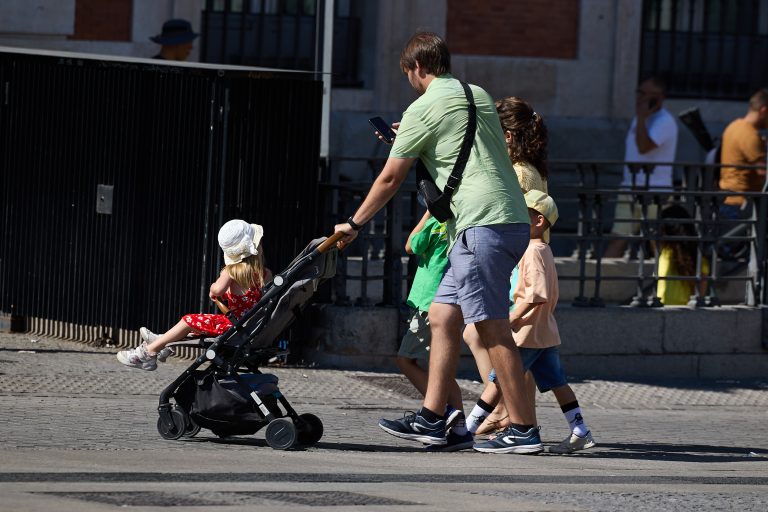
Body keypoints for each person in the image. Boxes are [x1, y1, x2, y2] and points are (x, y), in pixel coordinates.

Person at [335, 32, 539, 453]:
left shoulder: (421, 108)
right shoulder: (478, 94)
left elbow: (390, 178)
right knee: (442, 315)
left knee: (492, 326)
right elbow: (463, 144)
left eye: (407, 73)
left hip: (481, 223)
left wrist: (354, 223)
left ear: (416, 68)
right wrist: (411, 135)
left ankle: (523, 429)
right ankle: (434, 419)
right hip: (502, 219)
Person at [470, 190, 597, 454]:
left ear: (539, 221)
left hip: (526, 332)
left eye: (520, 215)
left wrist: (511, 318)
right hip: (543, 331)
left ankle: (467, 429)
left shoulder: (532, 251)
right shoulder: (543, 250)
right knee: (558, 383)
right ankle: (580, 430)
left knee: (499, 379)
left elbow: (536, 294)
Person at [463, 96, 549, 435]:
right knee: (516, 346)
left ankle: (503, 409)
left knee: (482, 333)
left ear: (508, 137)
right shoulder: (528, 169)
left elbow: (520, 223)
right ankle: (520, 415)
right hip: (521, 264)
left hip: (517, 267)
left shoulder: (519, 173)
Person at [116, 220, 271, 370]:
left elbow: (217, 290)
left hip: (234, 327)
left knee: (188, 321)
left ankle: (149, 353)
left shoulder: (231, 272)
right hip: (250, 327)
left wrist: (213, 289)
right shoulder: (266, 274)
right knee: (197, 326)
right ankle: (162, 342)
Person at [395, 210, 473, 451]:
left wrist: (428, 213)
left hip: (428, 302)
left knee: (405, 359)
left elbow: (411, 245)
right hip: (445, 302)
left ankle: (443, 410)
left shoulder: (436, 222)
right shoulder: (460, 225)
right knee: (441, 369)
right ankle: (460, 430)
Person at [604, 76, 679, 258]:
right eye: (640, 93)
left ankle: (663, 276)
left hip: (655, 192)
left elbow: (644, 147)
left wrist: (642, 117)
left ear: (660, 98)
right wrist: (642, 118)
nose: (642, 98)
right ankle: (601, 276)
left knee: (655, 243)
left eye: (648, 95)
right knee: (618, 238)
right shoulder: (640, 119)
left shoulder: (664, 121)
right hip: (630, 188)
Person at [718, 88, 768, 219]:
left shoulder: (733, 126)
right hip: (743, 205)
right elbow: (763, 172)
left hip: (727, 199)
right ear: (764, 110)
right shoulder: (750, 135)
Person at [656, 204, 709, 306]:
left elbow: (699, 295)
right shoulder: (665, 252)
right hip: (675, 310)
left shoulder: (665, 253)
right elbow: (700, 294)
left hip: (674, 309)